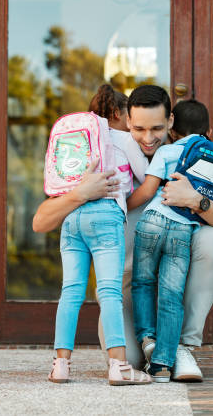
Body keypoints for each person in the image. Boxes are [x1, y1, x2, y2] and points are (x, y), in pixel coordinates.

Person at [33, 85, 213, 382]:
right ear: (126, 122)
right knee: (129, 359)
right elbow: (40, 222)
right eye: (139, 129)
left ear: (170, 123)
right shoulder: (110, 161)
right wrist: (81, 194)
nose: (148, 138)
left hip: (174, 287)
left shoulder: (188, 163)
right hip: (126, 294)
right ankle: (149, 347)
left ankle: (180, 345)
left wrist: (195, 199)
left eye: (157, 128)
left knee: (212, 239)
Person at [46, 85, 151, 386]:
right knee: (109, 292)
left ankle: (60, 366)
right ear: (118, 114)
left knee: (71, 292)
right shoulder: (121, 137)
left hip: (72, 215)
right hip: (105, 215)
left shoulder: (77, 141)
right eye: (128, 118)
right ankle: (119, 366)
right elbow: (144, 175)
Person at [126, 98, 213, 382]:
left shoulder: (166, 151)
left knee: (142, 282)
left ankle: (148, 339)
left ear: (173, 129)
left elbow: (146, 192)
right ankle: (163, 366)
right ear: (209, 132)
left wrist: (119, 204)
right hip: (182, 230)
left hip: (152, 222)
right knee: (171, 295)